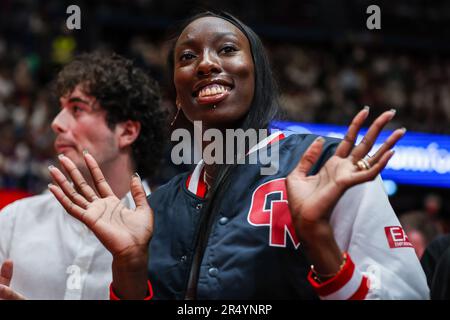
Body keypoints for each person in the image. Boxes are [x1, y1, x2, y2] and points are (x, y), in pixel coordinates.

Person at [49, 11, 429, 300]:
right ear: (178, 97)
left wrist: (318, 238)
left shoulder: (324, 166)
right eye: (186, 57)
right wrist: (129, 267)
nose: (206, 63)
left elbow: (408, 293)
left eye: (227, 49)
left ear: (257, 74)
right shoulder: (153, 210)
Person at [0, 52, 167, 299]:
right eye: (60, 109)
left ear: (127, 131)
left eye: (77, 109)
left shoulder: (170, 229)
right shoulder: (14, 219)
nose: (56, 123)